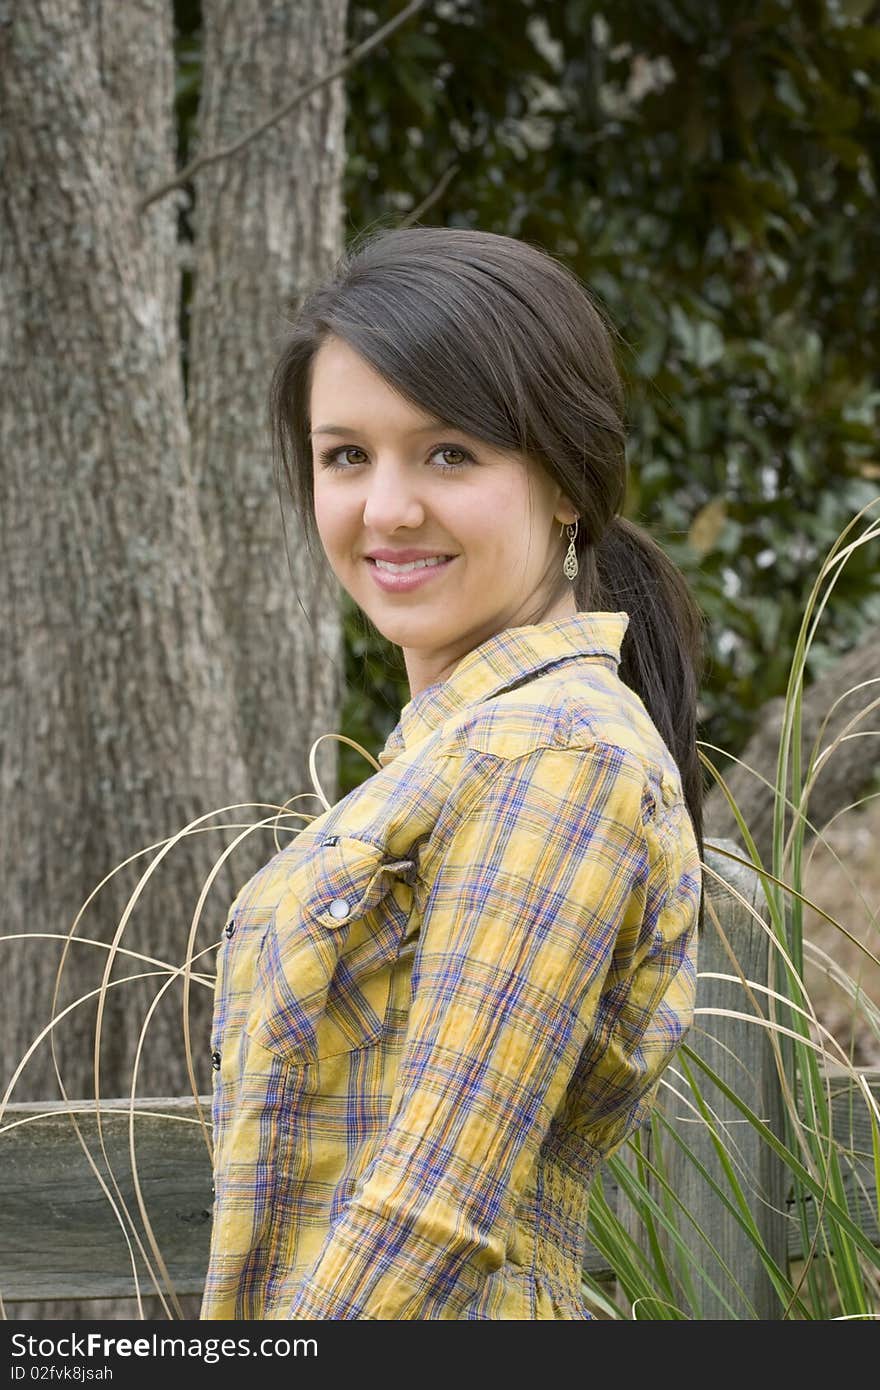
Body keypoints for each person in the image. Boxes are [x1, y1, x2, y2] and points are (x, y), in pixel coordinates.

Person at [199, 226, 705, 1321]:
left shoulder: (554, 759)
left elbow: (432, 1203)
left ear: (565, 481)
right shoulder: (460, 752)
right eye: (346, 455)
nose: (385, 508)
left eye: (449, 453)